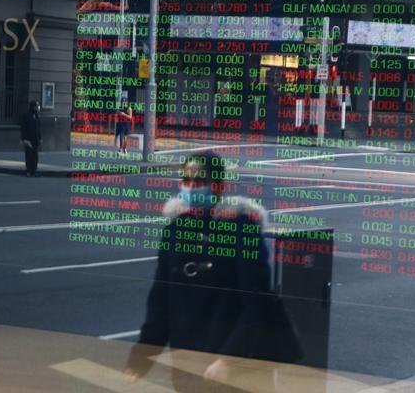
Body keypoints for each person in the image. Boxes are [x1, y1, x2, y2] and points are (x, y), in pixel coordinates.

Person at [125, 151, 301, 391]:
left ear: (218, 187)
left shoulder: (241, 229)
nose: (191, 188)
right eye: (186, 182)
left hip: (235, 369)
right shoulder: (175, 230)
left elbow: (257, 302)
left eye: (199, 183)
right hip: (188, 360)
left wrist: (229, 359)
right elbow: (161, 302)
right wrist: (140, 360)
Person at [20, 100, 42, 177]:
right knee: (29, 155)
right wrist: (24, 139)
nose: (37, 108)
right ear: (33, 107)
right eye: (36, 106)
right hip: (28, 139)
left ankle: (34, 170)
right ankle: (28, 171)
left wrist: (40, 138)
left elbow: (38, 128)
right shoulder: (26, 115)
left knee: (35, 155)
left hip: (35, 139)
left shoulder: (37, 116)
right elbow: (23, 128)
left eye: (38, 106)